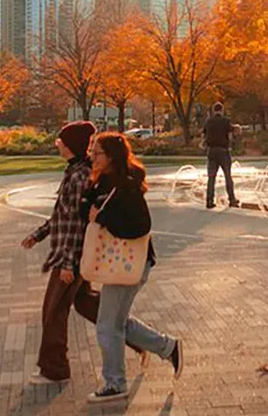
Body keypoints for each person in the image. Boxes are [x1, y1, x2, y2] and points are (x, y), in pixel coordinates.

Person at [83, 133, 184, 403]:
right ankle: (167, 347)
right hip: (115, 264)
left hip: (131, 264)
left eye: (98, 153)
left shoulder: (127, 186)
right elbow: (90, 213)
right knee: (116, 322)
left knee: (107, 324)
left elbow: (141, 227)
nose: (92, 157)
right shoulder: (100, 182)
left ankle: (115, 383)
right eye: (92, 152)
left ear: (112, 156)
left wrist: (102, 217)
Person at [21, 121, 98, 385]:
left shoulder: (79, 177)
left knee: (53, 311)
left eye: (61, 140)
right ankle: (154, 343)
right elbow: (61, 215)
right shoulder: (75, 172)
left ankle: (55, 370)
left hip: (71, 257)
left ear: (71, 145)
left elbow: (78, 225)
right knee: (92, 307)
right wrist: (38, 235)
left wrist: (68, 264)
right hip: (72, 256)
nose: (57, 143)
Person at [202, 102, 238, 209]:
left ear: (213, 111)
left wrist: (204, 143)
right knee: (228, 176)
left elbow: (204, 134)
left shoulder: (208, 121)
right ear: (222, 110)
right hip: (223, 151)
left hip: (211, 152)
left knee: (211, 177)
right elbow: (231, 134)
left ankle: (209, 201)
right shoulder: (226, 121)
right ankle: (232, 200)